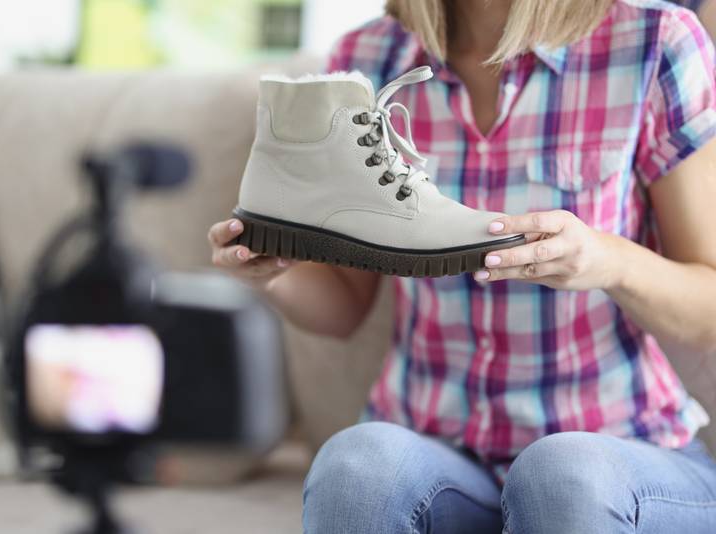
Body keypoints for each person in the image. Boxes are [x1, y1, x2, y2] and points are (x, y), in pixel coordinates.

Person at [208, 0, 716, 532]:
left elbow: (707, 311)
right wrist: (273, 270)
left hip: (624, 452)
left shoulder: (655, 41)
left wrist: (609, 261)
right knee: (356, 468)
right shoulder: (370, 55)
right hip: (444, 456)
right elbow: (345, 306)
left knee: (562, 474)